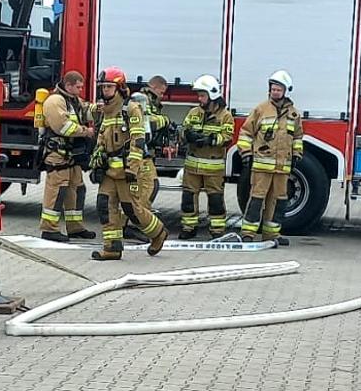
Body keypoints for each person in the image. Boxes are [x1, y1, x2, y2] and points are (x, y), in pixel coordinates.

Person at [89, 68, 166, 260]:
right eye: (103, 87)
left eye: (109, 86)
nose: (105, 90)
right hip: (109, 172)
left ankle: (158, 233)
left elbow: (138, 139)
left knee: (133, 211)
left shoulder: (130, 108)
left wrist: (133, 167)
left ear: (119, 87)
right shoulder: (104, 110)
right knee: (104, 206)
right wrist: (96, 163)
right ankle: (112, 247)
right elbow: (101, 138)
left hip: (126, 172)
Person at [237, 70, 304, 245]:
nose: (275, 92)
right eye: (273, 89)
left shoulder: (294, 114)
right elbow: (245, 133)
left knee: (278, 201)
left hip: (282, 168)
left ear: (285, 91)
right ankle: (248, 234)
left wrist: (297, 154)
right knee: (256, 200)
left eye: (278, 90)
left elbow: (297, 136)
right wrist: (245, 153)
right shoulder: (260, 109)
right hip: (261, 166)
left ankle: (271, 235)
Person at [37, 71, 97, 242]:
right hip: (57, 154)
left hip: (72, 155)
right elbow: (62, 127)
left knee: (77, 189)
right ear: (68, 85)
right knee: (57, 190)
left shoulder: (73, 100)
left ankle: (75, 227)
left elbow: (85, 111)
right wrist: (86, 132)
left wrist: (100, 109)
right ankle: (49, 229)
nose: (81, 89)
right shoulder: (55, 101)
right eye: (78, 86)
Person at [176, 74, 233, 239]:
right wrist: (187, 135)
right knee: (188, 198)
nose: (199, 98)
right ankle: (188, 228)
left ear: (212, 95)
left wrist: (210, 139)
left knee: (215, 200)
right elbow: (183, 130)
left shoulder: (225, 116)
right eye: (199, 95)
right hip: (192, 166)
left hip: (213, 167)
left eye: (202, 95)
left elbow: (227, 137)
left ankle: (216, 231)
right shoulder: (194, 112)